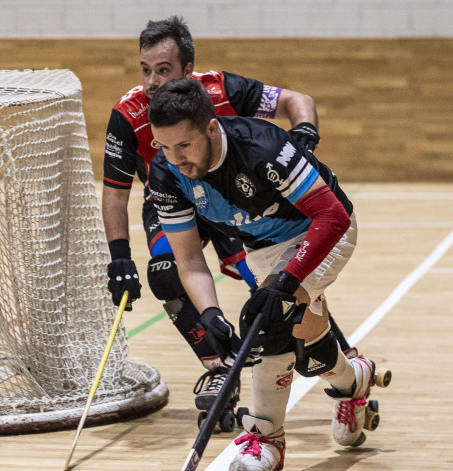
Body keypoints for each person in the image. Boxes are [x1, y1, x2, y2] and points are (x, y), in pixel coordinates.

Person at [102, 15, 351, 414]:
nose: (151, 82)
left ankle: (320, 335)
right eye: (145, 70)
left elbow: (297, 100)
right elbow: (115, 194)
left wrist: (303, 138)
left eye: (163, 71)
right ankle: (220, 364)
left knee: (270, 299)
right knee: (167, 271)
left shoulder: (221, 89)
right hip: (173, 197)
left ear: (189, 71)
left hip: (235, 199)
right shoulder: (129, 114)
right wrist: (118, 257)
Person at [147, 78, 386, 470]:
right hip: (263, 250)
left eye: (184, 145)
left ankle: (265, 440)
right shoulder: (167, 173)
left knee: (264, 319)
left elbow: (332, 215)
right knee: (308, 349)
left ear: (211, 128)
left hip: (321, 229)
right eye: (164, 146)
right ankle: (353, 381)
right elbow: (189, 260)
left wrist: (288, 281)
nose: (176, 159)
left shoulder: (262, 146)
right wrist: (210, 315)